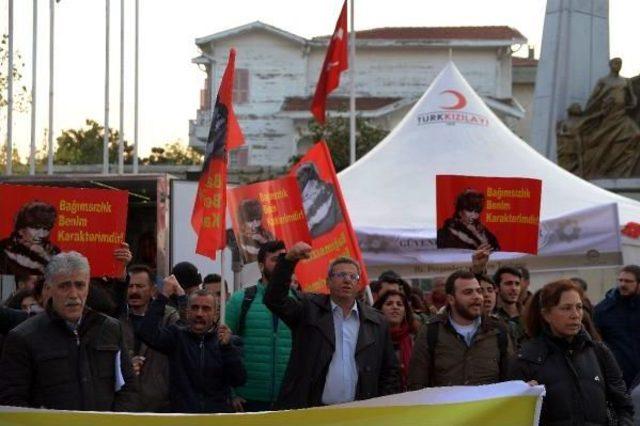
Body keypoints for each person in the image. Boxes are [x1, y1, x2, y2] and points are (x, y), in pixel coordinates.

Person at [264, 242, 400, 409]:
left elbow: (389, 371)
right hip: (312, 410)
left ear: (358, 285)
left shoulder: (377, 322)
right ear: (327, 281)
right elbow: (274, 300)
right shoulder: (308, 310)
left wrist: (382, 409)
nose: (347, 280)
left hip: (359, 412)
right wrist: (288, 261)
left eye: (353, 277)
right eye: (340, 275)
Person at [0, 251, 138, 411]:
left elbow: (129, 388)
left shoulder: (111, 329)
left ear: (88, 287)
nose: (73, 294)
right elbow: (12, 402)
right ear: (48, 288)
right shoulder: (23, 338)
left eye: (79, 285)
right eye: (64, 286)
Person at [510, 280, 634, 425]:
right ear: (546, 315)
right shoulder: (526, 359)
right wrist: (527, 398)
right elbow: (517, 417)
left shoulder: (599, 352)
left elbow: (623, 404)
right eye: (566, 308)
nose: (575, 315)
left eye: (579, 307)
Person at [136, 275, 246, 413]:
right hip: (183, 417)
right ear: (187, 312)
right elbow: (146, 333)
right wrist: (163, 297)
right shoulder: (176, 337)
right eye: (195, 308)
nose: (199, 313)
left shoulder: (228, 342)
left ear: (215, 314)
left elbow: (238, 379)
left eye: (206, 309)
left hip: (216, 418)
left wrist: (227, 347)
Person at [407, 270, 512, 389]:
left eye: (478, 291)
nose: (477, 297)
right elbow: (416, 383)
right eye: (468, 292)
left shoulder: (498, 330)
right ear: (451, 299)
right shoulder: (431, 332)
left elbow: (511, 380)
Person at [225, 240, 293, 412]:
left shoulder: (299, 302)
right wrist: (231, 392)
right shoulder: (240, 300)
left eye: (284, 259)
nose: (280, 264)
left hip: (287, 398)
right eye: (275, 259)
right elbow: (222, 347)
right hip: (248, 400)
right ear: (261, 265)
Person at [121, 264, 180, 412]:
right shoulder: (117, 320)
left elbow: (186, 334)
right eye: (130, 286)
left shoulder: (168, 316)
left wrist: (182, 297)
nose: (134, 291)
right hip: (126, 404)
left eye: (140, 286)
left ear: (153, 290)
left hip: (160, 405)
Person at [594, 265, 640, 388]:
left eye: (628, 281)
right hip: (619, 377)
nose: (623, 284)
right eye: (620, 280)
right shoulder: (603, 309)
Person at [373, 289, 419, 390]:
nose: (395, 307)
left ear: (405, 311)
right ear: (380, 309)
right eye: (389, 304)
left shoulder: (416, 339)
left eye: (399, 304)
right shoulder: (371, 339)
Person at [0, 201, 60, 275]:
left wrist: (44, 255)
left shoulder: (55, 252)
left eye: (46, 229)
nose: (41, 235)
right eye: (36, 228)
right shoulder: (4, 250)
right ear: (21, 229)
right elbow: (5, 285)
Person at [493, 266, 526, 347]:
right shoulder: (492, 319)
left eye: (517, 284)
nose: (514, 288)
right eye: (508, 283)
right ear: (497, 288)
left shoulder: (530, 317)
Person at [236, 199, 275, 263]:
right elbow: (245, 254)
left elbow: (275, 248)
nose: (255, 223)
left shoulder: (266, 233)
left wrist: (262, 240)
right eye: (250, 220)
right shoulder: (240, 236)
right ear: (243, 221)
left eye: (257, 219)